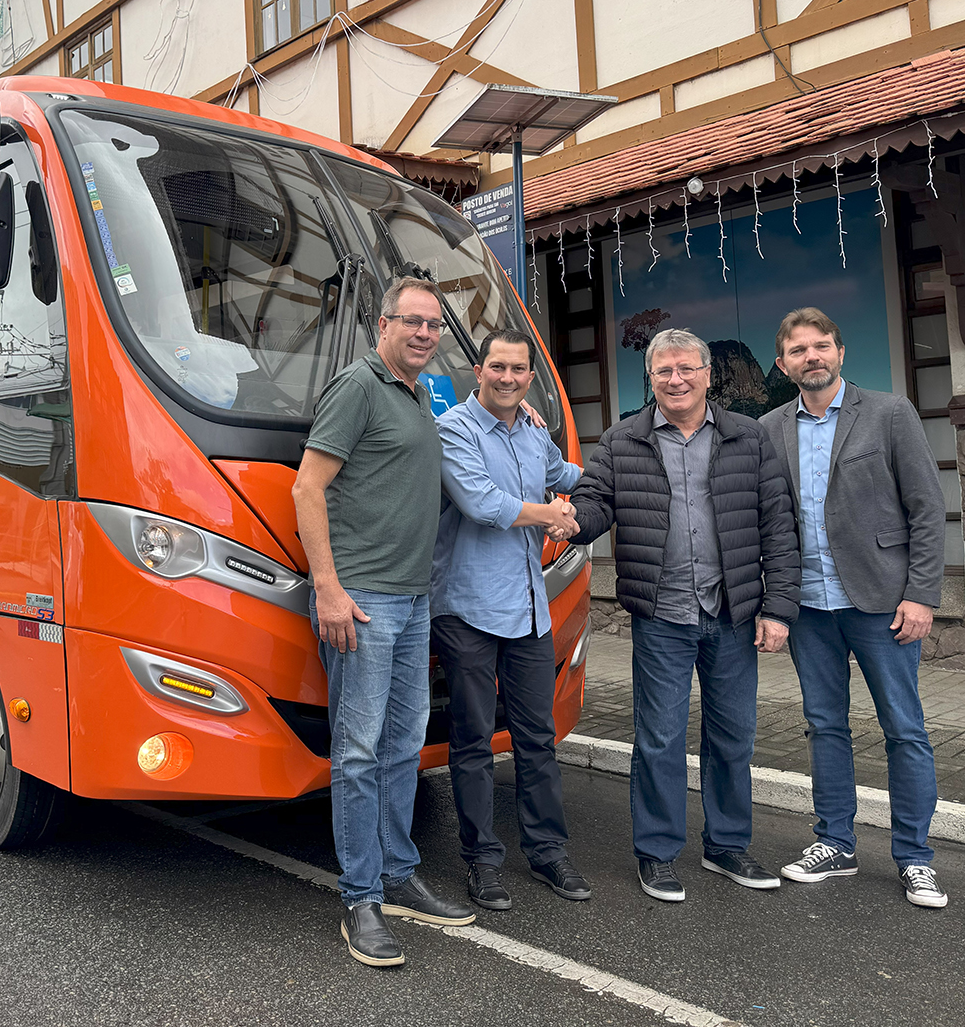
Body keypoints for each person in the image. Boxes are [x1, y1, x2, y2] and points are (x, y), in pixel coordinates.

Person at [569, 328, 800, 903]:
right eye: (664, 371)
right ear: (651, 379)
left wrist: (779, 608)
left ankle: (727, 846)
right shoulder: (624, 439)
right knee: (660, 738)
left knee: (733, 736)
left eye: (686, 369)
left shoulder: (747, 437)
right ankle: (656, 852)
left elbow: (777, 523)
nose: (676, 380)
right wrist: (570, 519)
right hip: (661, 613)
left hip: (731, 611)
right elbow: (597, 501)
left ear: (706, 374)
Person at [291, 277, 477, 968]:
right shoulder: (359, 385)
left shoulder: (418, 395)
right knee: (359, 752)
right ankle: (360, 898)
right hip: (363, 600)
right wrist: (328, 588)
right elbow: (307, 486)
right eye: (413, 323)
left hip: (412, 598)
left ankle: (397, 871)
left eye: (434, 325)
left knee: (402, 746)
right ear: (383, 325)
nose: (425, 334)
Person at [760, 308, 949, 908]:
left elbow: (926, 508)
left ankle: (916, 858)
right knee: (824, 727)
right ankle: (834, 843)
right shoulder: (770, 429)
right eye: (798, 350)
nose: (810, 357)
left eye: (821, 347)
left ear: (840, 353)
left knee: (904, 730)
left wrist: (921, 594)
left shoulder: (890, 413)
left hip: (883, 605)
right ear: (784, 362)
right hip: (810, 608)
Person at [432, 328, 589, 910]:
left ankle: (548, 853)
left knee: (537, 739)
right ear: (480, 371)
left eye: (519, 370)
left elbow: (567, 475)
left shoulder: (532, 431)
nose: (508, 377)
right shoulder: (454, 431)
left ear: (530, 377)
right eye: (498, 366)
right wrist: (551, 512)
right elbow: (483, 505)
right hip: (467, 609)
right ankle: (481, 861)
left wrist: (613, 474)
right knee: (473, 742)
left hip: (528, 610)